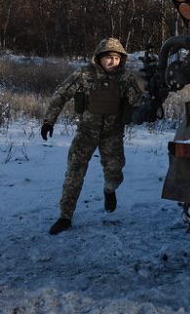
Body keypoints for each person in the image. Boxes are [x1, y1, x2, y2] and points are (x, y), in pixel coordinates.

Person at [40, 37, 146, 235]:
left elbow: (137, 100)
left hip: (113, 134)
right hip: (86, 132)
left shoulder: (125, 78)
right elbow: (61, 94)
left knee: (115, 170)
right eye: (108, 58)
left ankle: (109, 190)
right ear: (98, 58)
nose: (112, 62)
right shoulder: (84, 74)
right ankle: (65, 217)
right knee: (74, 173)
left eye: (116, 58)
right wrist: (48, 121)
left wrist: (148, 102)